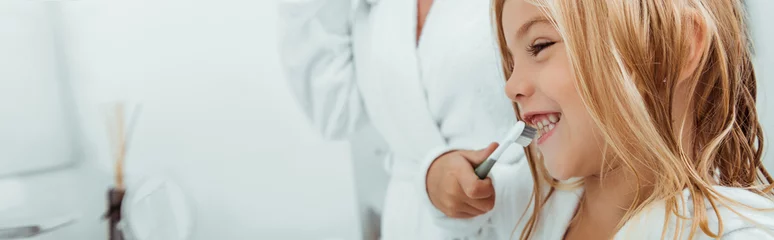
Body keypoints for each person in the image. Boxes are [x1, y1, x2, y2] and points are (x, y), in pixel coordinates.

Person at [422, 0, 774, 239]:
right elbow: (463, 216)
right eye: (512, 62)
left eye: (540, 46)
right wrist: (440, 178)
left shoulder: (735, 233)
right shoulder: (530, 200)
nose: (511, 87)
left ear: (675, 46)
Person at [277, 0, 525, 239]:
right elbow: (334, 113)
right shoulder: (377, 8)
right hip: (411, 222)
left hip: (524, 210)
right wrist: (431, 177)